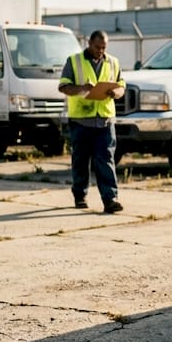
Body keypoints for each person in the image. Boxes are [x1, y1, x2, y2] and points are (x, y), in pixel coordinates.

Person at [59, 30, 126, 214]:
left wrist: (116, 93)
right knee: (81, 160)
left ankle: (110, 199)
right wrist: (82, 89)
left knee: (105, 160)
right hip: (81, 121)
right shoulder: (74, 61)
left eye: (104, 47)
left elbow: (121, 86)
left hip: (105, 120)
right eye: (97, 47)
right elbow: (63, 86)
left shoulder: (113, 62)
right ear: (89, 43)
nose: (100, 51)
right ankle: (80, 195)